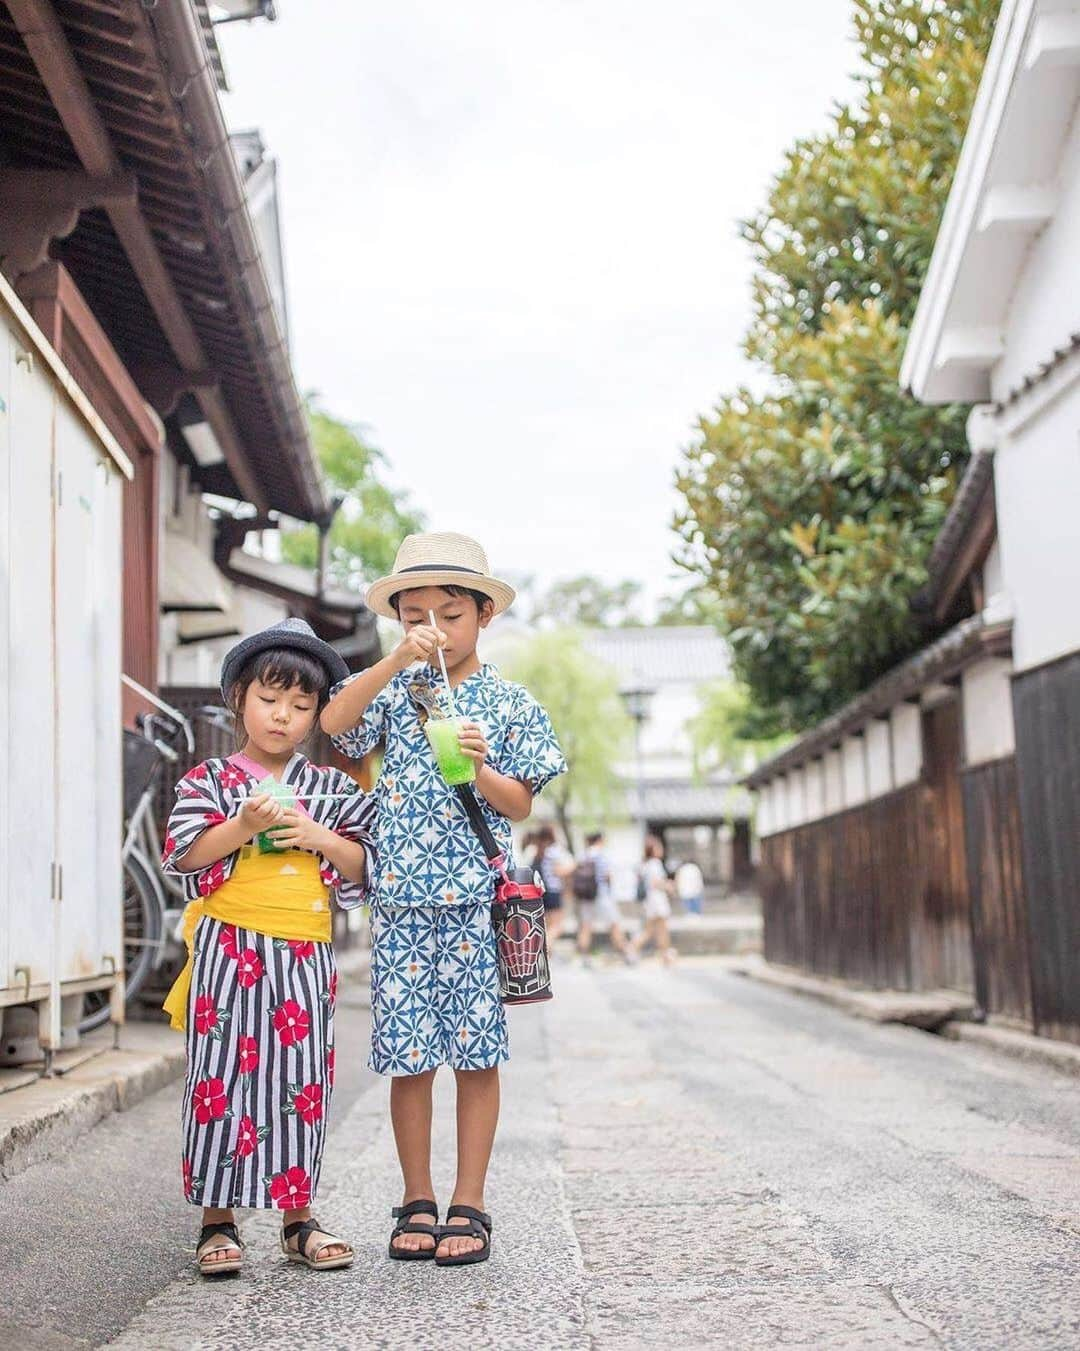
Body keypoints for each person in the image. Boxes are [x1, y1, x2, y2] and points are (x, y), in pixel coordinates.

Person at [320, 531, 567, 1267]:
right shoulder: (393, 689)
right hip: (398, 900)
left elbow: (519, 805)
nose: (434, 627)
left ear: (484, 616)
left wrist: (475, 766)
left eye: (451, 613)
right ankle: (417, 1196)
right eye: (415, 614)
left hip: (472, 903)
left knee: (476, 1054)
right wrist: (394, 661)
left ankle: (471, 1198)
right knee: (408, 1055)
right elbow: (335, 726)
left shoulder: (510, 703)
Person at [161, 618, 376, 1277]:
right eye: (268, 698)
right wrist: (241, 825)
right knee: (220, 1077)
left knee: (301, 1079)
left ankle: (297, 1217)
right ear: (240, 699)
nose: (282, 714)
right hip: (229, 947)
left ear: (316, 713)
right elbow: (184, 854)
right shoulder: (207, 781)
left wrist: (315, 833)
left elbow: (366, 863)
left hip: (305, 954)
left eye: (300, 704)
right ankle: (217, 1220)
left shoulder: (334, 789)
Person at [574, 830, 633, 963]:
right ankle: (626, 954)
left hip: (586, 895)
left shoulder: (583, 855)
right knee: (614, 924)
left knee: (586, 926)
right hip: (602, 894)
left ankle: (584, 957)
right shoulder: (602, 854)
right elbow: (608, 875)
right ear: (600, 840)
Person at [632, 834, 676, 964]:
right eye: (659, 847)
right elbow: (655, 883)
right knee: (653, 930)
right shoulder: (655, 864)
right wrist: (668, 886)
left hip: (650, 901)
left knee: (658, 930)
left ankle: (665, 955)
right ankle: (632, 948)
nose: (661, 849)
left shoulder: (645, 865)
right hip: (657, 901)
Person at [533, 824, 573, 947]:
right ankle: (545, 947)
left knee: (549, 925)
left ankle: (548, 953)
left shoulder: (539, 850)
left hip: (543, 891)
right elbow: (560, 870)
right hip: (554, 891)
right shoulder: (554, 850)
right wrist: (573, 866)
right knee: (558, 926)